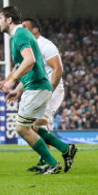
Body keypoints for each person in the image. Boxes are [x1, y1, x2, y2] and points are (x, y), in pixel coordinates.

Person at [0, 6, 62, 175]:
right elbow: (22, 65)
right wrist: (11, 83)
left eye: (0, 18)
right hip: (34, 86)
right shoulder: (17, 37)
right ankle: (65, 150)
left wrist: (13, 81)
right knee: (32, 127)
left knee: (22, 128)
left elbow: (30, 60)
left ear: (9, 20)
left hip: (37, 86)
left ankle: (52, 162)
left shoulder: (21, 34)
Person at [21, 18, 77, 173]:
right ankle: (62, 151)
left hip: (51, 89)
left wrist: (49, 89)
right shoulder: (30, 47)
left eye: (25, 27)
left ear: (35, 30)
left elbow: (58, 69)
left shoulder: (46, 45)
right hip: (38, 89)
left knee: (35, 125)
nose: (22, 30)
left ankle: (54, 157)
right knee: (32, 125)